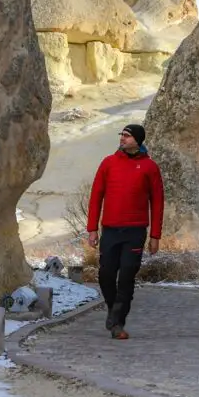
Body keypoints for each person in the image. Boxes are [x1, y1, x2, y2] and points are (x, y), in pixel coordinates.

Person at [86, 123, 164, 340]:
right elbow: (96, 196)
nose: (122, 138)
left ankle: (117, 322)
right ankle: (113, 311)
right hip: (110, 230)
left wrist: (155, 236)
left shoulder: (149, 167)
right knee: (106, 275)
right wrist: (92, 229)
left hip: (135, 231)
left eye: (127, 136)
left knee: (127, 274)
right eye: (121, 134)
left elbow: (157, 202)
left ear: (138, 140)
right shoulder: (108, 163)